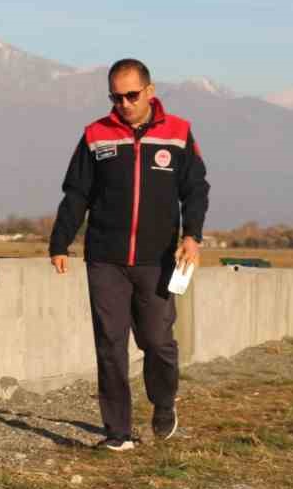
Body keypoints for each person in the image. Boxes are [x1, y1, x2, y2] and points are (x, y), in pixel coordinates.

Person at [48, 59, 209, 451]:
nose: (123, 103)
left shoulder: (179, 133)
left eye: (131, 95)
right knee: (110, 344)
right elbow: (76, 194)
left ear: (150, 92)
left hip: (157, 259)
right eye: (116, 97)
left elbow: (196, 189)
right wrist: (59, 242)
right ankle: (117, 432)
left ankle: (164, 401)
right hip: (105, 258)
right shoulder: (95, 135)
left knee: (156, 342)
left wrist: (192, 236)